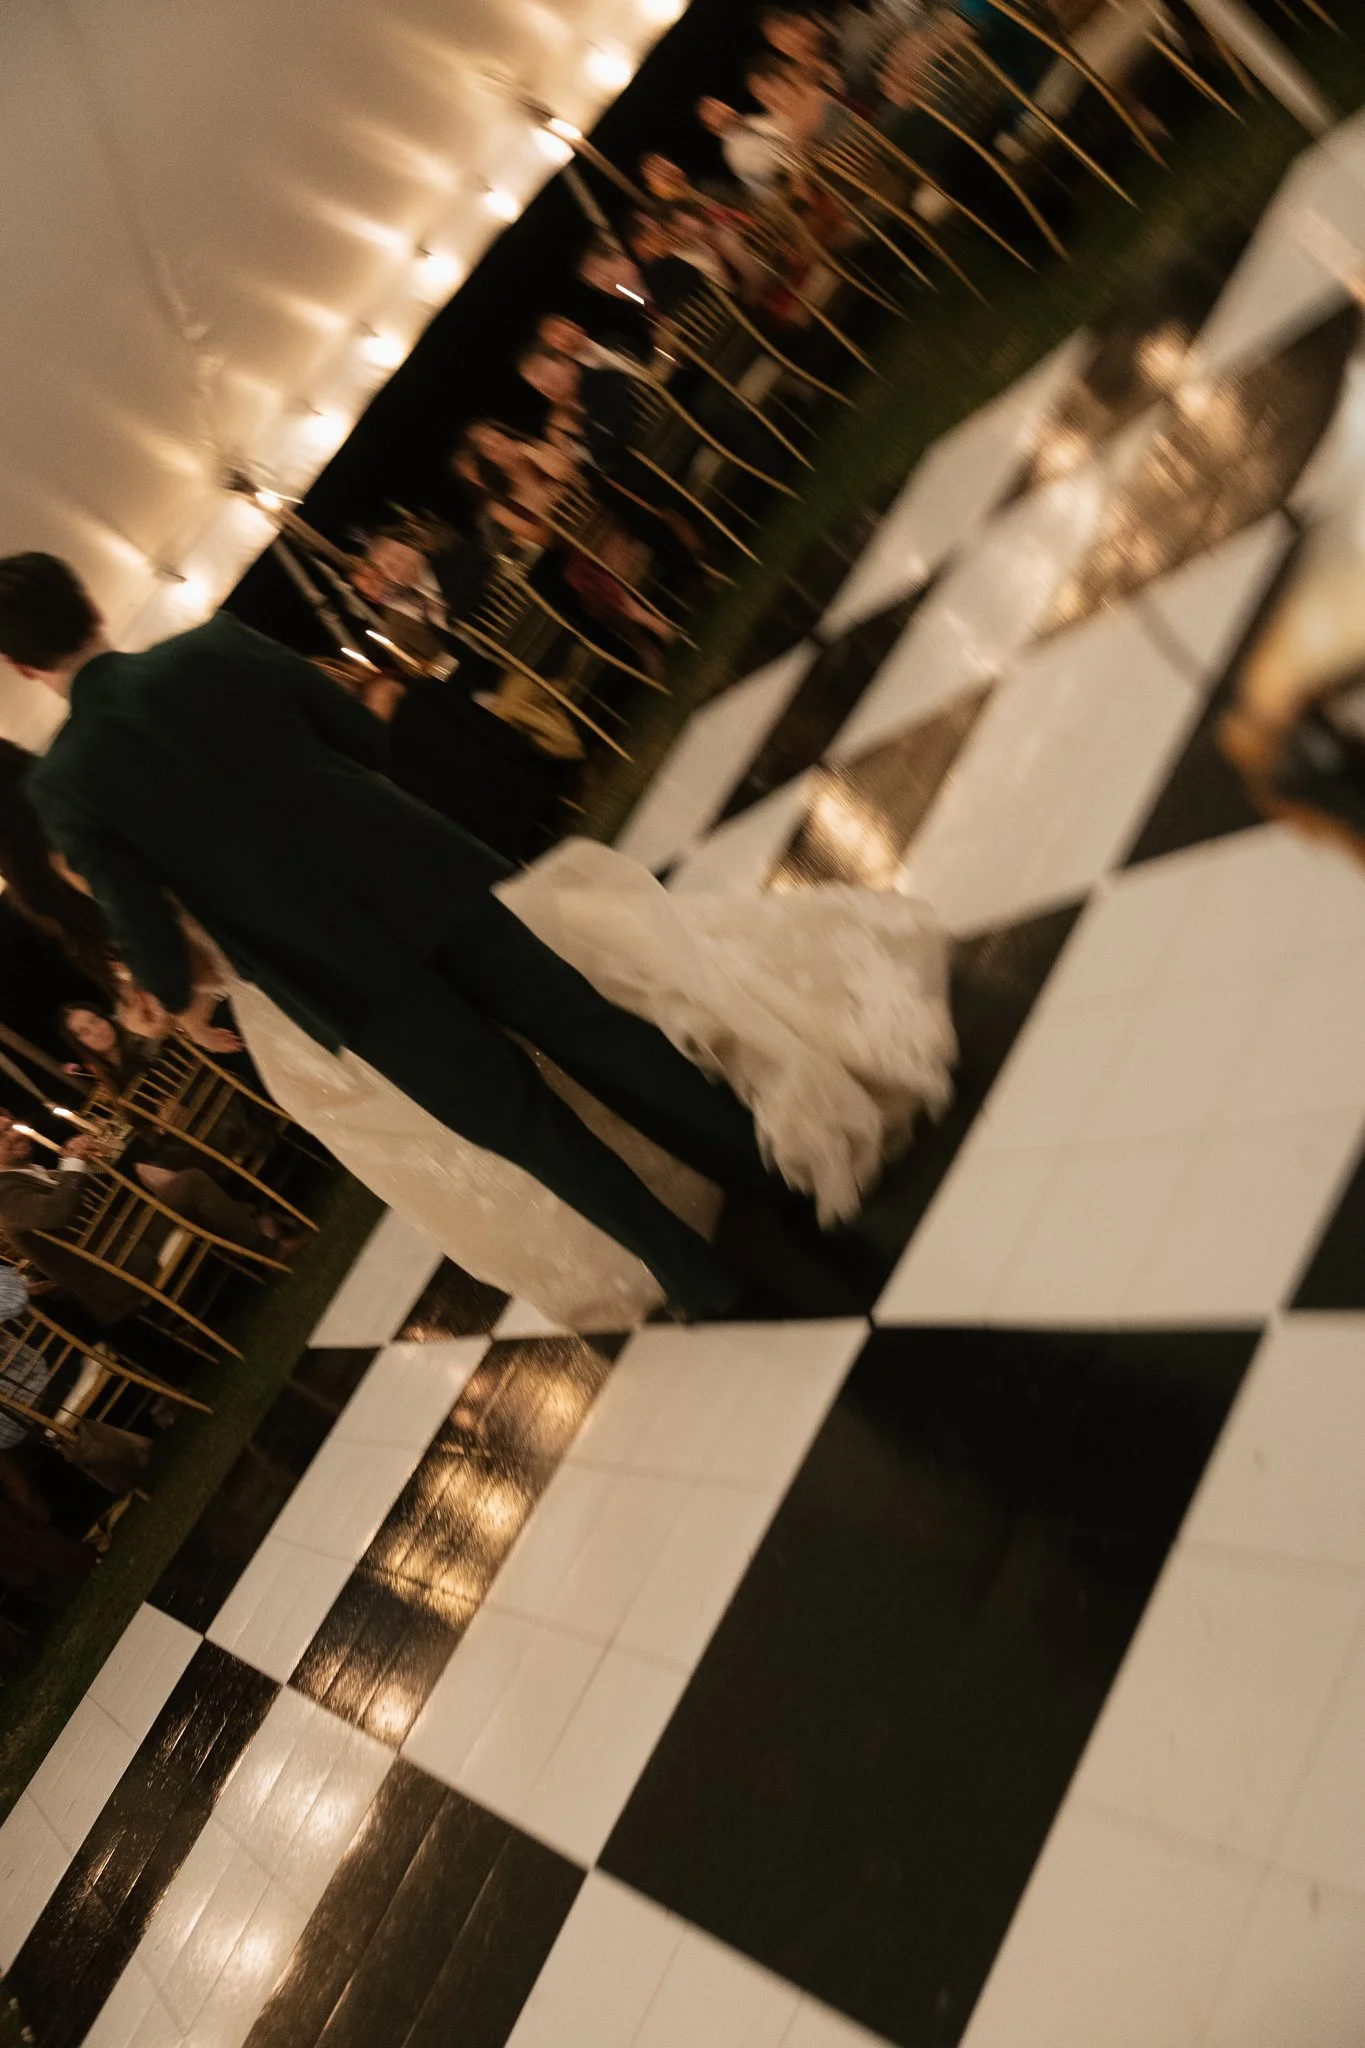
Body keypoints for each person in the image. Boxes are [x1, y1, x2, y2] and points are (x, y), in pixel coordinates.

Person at [1, 552, 955, 1326]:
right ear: (88, 602)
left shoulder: (65, 787)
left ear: (18, 667)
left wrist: (162, 997)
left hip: (332, 973)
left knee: (521, 1126)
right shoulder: (216, 648)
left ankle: (698, 1277)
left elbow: (151, 943)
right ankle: (762, 1171)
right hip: (424, 876)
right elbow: (366, 742)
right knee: (594, 1031)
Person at [0, 1108, 294, 1328]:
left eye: (10, 1126)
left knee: (182, 1182)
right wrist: (72, 1163)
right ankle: (269, 1247)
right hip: (118, 1269)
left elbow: (85, 1199)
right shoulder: (4, 1195)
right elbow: (57, 1213)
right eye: (2, 1135)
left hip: (127, 1240)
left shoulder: (28, 1172)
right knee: (189, 1183)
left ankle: (256, 1229)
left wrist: (90, 1162)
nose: (14, 1133)